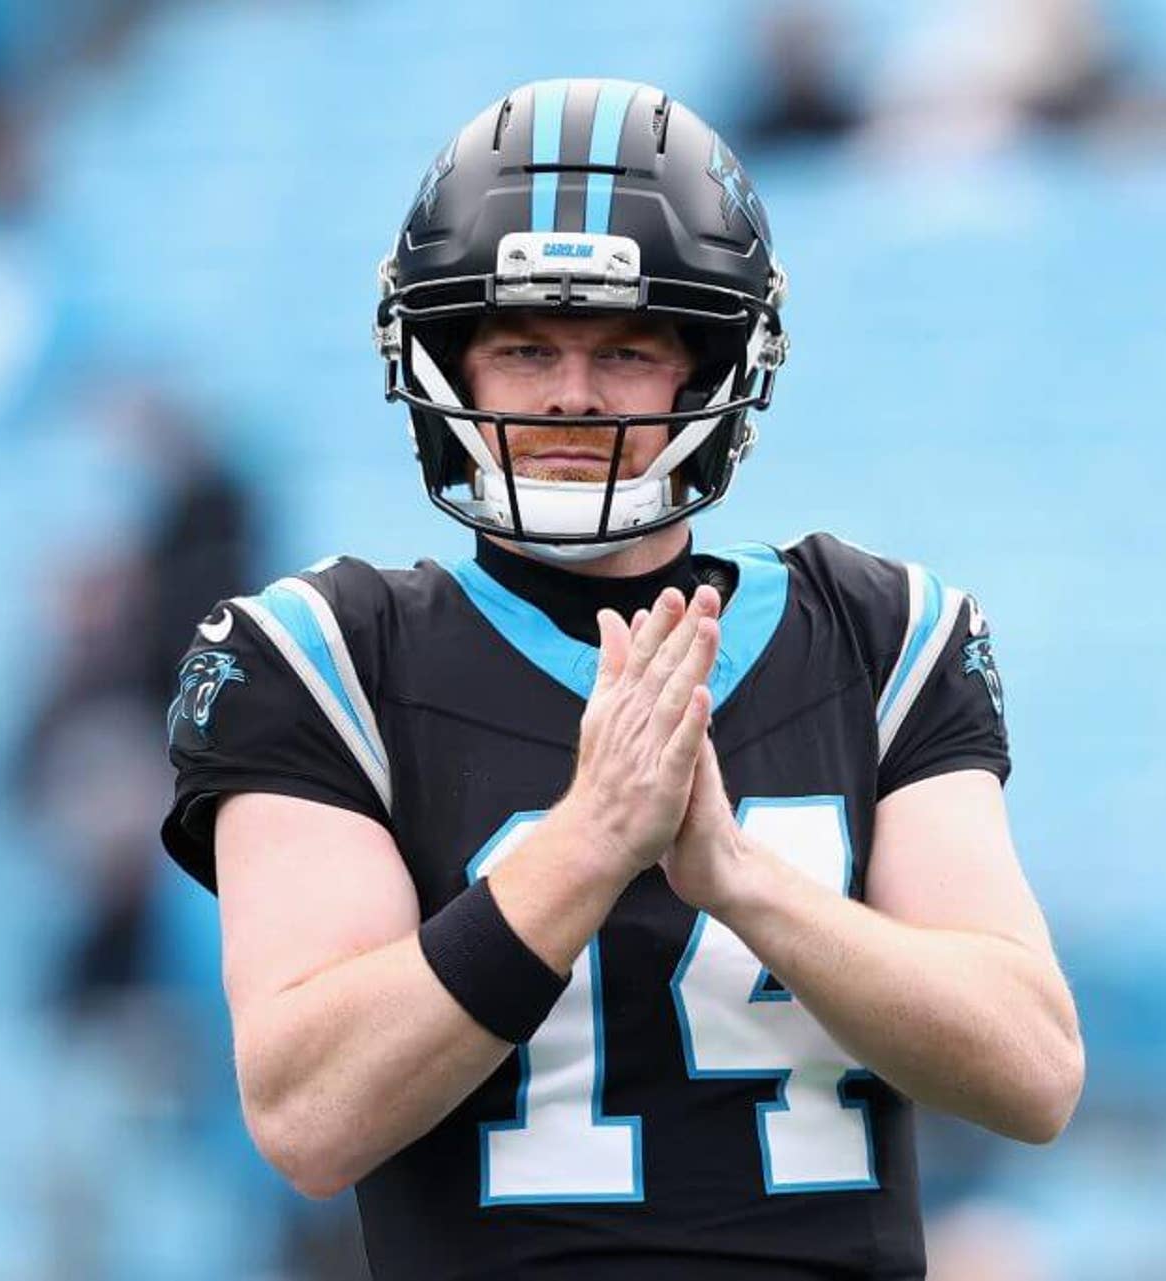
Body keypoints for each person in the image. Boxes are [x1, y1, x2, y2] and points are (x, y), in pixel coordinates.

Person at [161, 80, 1082, 1280]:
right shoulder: (325, 656)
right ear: (451, 365)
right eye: (525, 346)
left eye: (629, 351)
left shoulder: (876, 632)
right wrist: (589, 846)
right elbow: (310, 1113)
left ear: (709, 369)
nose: (572, 396)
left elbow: (1032, 1069)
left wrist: (741, 883)